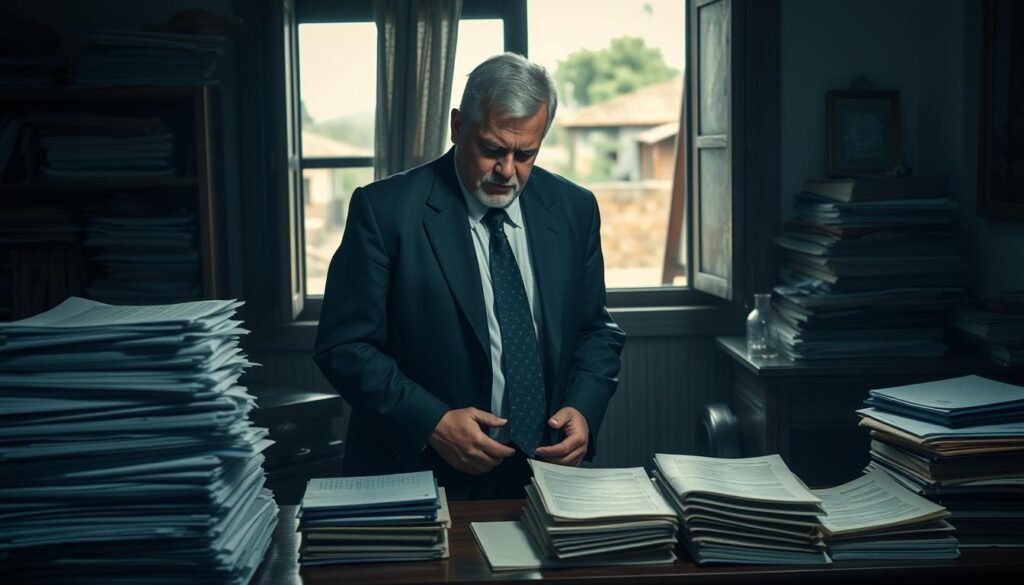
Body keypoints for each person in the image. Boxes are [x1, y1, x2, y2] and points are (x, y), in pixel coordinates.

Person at [314, 52, 625, 500]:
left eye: (526, 154)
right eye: (493, 149)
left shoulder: (575, 208)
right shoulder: (383, 211)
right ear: (459, 127)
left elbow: (596, 330)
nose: (507, 171)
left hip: (544, 474)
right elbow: (344, 346)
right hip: (420, 473)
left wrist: (584, 409)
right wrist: (432, 423)